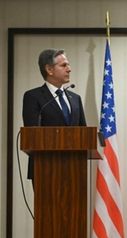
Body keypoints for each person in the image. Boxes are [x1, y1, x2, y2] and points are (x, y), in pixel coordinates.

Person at [22, 48, 87, 180]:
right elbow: (32, 135)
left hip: (74, 169)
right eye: (63, 65)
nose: (69, 69)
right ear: (49, 70)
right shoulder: (33, 97)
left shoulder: (75, 98)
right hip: (45, 170)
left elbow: (83, 133)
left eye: (68, 65)